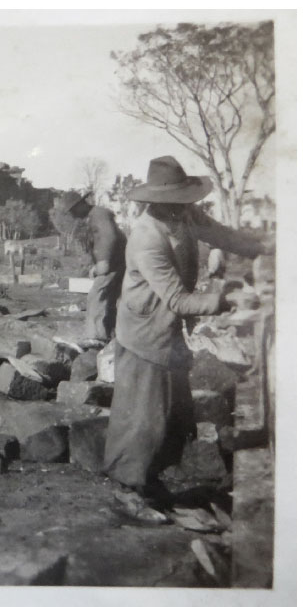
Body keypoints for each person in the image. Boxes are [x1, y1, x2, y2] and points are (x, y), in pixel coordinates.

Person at [102, 156, 270, 520]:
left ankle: (148, 481)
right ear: (158, 200)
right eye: (177, 200)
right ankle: (126, 492)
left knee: (175, 414)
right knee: (144, 417)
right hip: (144, 331)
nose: (185, 206)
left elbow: (221, 234)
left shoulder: (184, 215)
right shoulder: (147, 237)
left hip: (168, 328)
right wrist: (226, 299)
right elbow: (178, 299)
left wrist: (264, 247)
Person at [63, 191, 127, 347]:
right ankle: (110, 336)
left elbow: (109, 236)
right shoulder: (93, 216)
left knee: (96, 296)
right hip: (114, 263)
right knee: (110, 300)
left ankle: (96, 338)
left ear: (81, 204)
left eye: (73, 210)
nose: (72, 214)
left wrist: (103, 261)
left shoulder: (98, 215)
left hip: (113, 264)